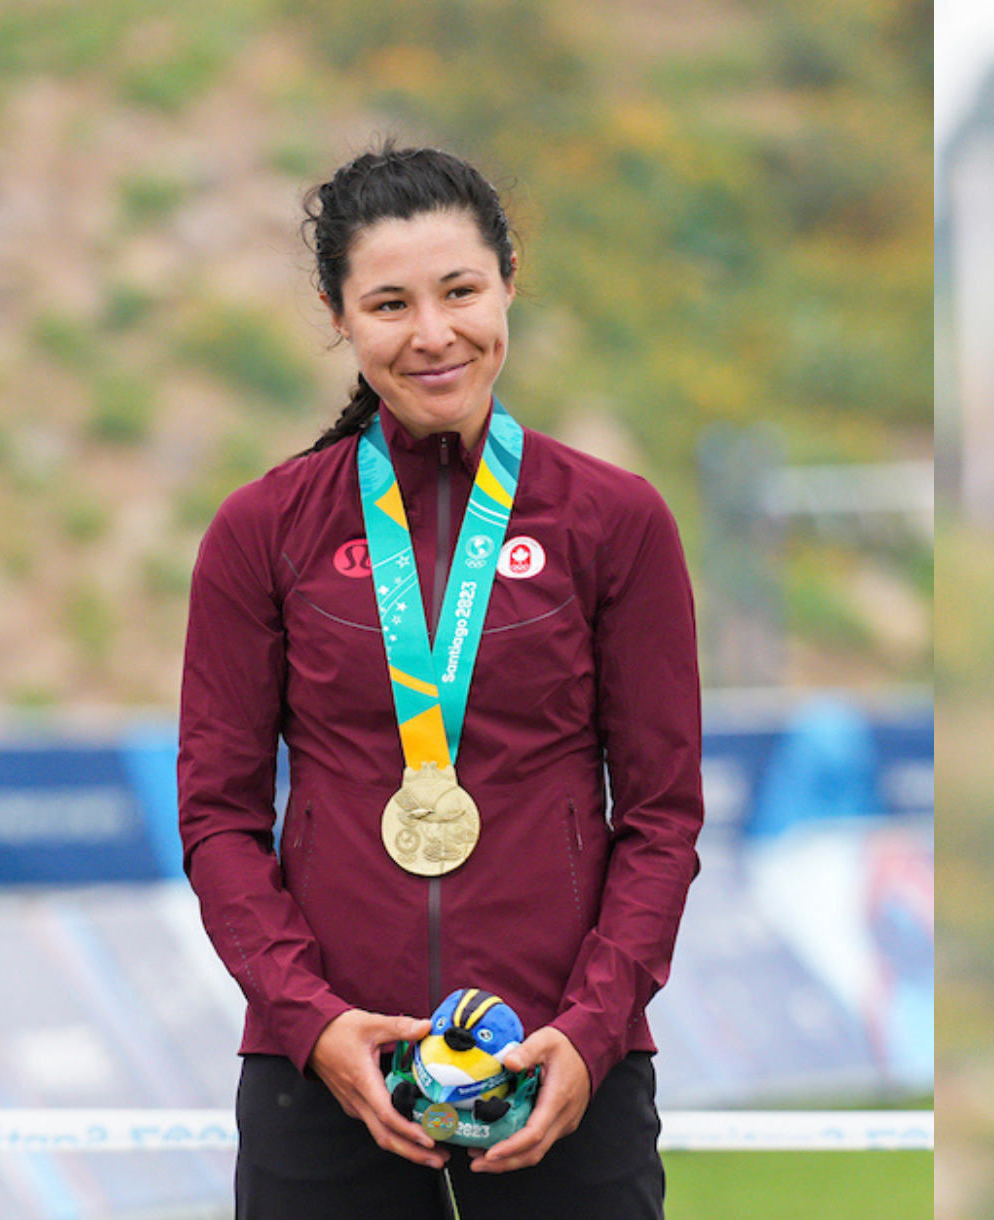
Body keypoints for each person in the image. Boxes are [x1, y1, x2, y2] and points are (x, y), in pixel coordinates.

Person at [179, 145, 702, 1218]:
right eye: (388, 302)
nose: (432, 333)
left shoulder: (617, 521)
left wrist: (591, 1031)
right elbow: (218, 818)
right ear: (338, 314)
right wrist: (310, 1019)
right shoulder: (261, 531)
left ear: (510, 277)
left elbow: (661, 817)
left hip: (562, 1069)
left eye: (460, 290)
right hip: (319, 1079)